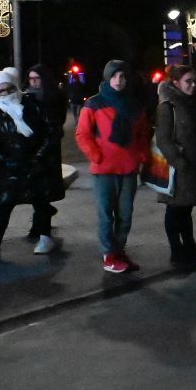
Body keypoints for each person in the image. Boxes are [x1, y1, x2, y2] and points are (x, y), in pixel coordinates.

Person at [75, 60, 152, 274]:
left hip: (128, 168)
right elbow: (83, 134)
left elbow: (143, 133)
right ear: (107, 78)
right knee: (106, 214)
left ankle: (119, 251)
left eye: (123, 76)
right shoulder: (94, 103)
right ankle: (109, 254)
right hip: (104, 169)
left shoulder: (135, 104)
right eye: (115, 76)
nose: (119, 80)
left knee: (125, 214)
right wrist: (96, 156)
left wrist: (141, 154)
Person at [0, 68, 59, 261]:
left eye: (9, 88)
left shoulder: (34, 106)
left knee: (40, 201)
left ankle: (45, 237)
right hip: (9, 166)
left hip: (35, 163)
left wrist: (39, 156)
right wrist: (2, 159)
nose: (6, 94)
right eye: (1, 91)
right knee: (4, 204)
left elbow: (51, 131)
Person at [155, 65, 196, 268]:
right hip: (178, 168)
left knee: (186, 211)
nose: (192, 85)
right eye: (188, 81)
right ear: (175, 83)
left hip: (194, 165)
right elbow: (163, 139)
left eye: (194, 81)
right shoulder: (167, 105)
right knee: (175, 210)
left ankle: (190, 250)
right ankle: (177, 252)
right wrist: (179, 162)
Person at [23, 64, 70, 243]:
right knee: (35, 188)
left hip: (49, 148)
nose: (34, 82)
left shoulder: (54, 97)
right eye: (31, 79)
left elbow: (58, 122)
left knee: (44, 188)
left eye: (37, 78)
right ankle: (42, 220)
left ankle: (41, 227)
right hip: (32, 147)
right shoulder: (26, 96)